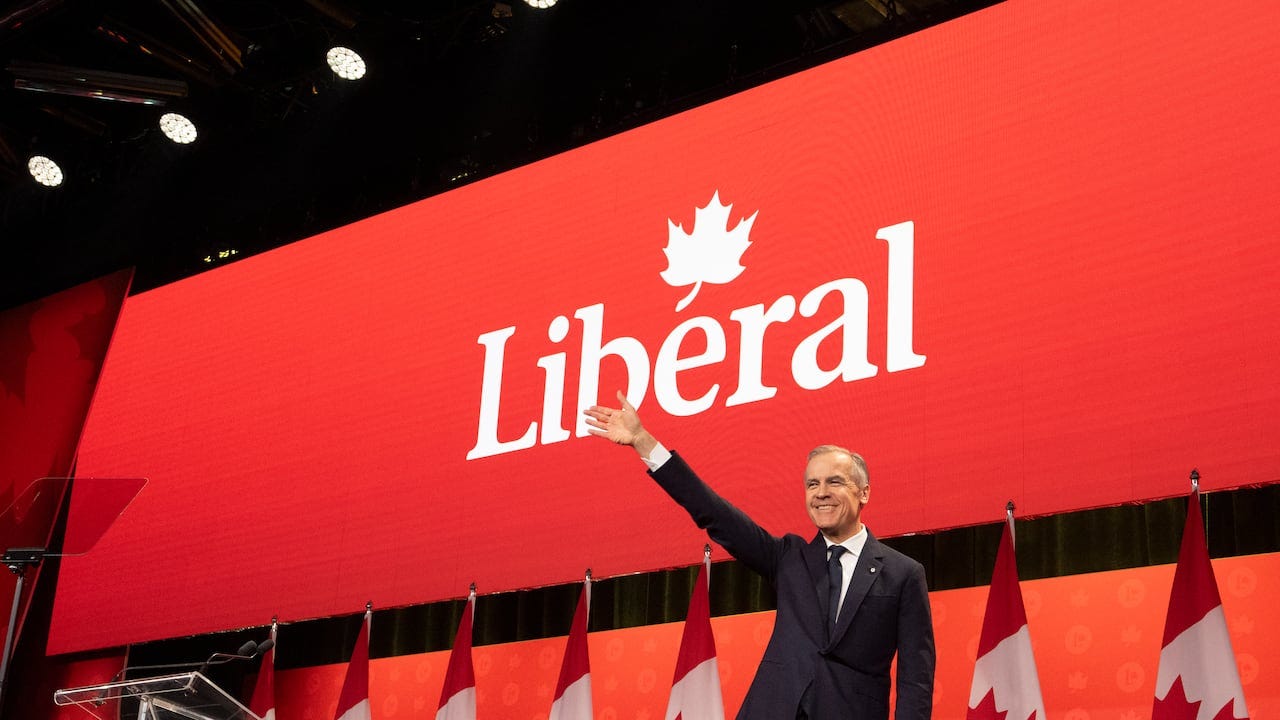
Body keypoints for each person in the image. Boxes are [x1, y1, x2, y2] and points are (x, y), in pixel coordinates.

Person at [584, 391, 934, 720]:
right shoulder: (788, 557)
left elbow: (915, 679)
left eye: (835, 482)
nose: (821, 493)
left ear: (864, 492)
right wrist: (644, 442)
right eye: (812, 484)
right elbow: (714, 512)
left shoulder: (903, 574)